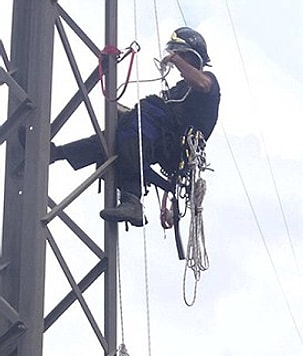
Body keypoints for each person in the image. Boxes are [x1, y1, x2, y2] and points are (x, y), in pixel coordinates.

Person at [51, 27, 221, 226]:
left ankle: (132, 199)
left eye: (183, 55)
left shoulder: (207, 81)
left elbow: (202, 83)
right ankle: (56, 154)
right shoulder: (178, 89)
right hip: (163, 140)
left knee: (145, 116)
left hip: (175, 147)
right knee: (118, 135)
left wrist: (175, 59)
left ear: (193, 57)